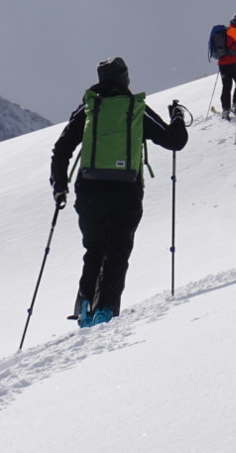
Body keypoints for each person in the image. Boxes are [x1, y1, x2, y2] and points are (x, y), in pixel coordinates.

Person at [51, 57, 188, 326]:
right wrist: (177, 117)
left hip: (89, 189)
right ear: (125, 78)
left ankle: (84, 308)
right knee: (117, 251)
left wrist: (59, 186)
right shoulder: (135, 108)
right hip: (126, 188)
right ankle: (106, 309)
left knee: (94, 249)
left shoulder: (89, 108)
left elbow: (61, 149)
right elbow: (175, 141)